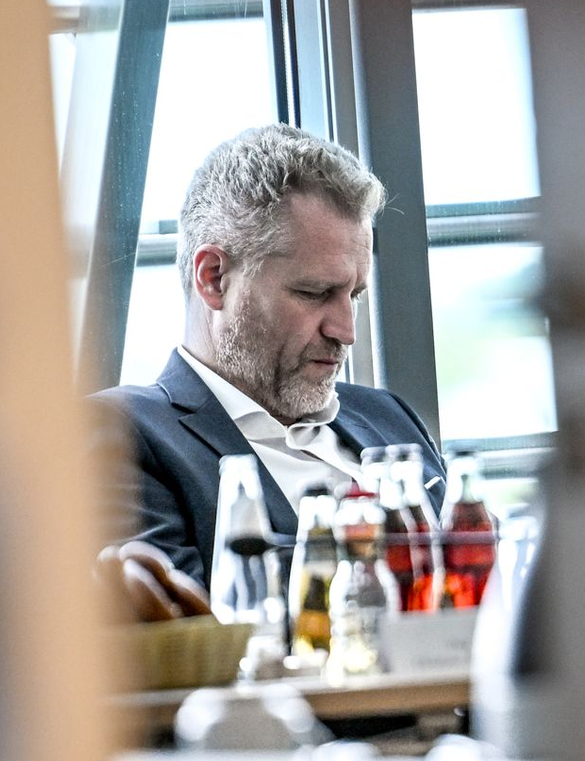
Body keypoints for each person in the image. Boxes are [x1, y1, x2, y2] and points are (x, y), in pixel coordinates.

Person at [90, 124, 447, 588]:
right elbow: (191, 638)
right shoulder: (123, 434)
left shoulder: (389, 417)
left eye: (353, 295)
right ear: (214, 278)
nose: (345, 331)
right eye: (315, 292)